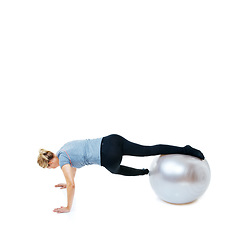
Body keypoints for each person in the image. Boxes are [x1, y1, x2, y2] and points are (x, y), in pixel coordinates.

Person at [37, 134, 204, 213]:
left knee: (116, 170)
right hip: (112, 140)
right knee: (148, 150)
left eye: (48, 167)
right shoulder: (63, 149)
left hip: (108, 156)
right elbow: (73, 171)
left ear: (50, 162)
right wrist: (67, 181)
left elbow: (72, 184)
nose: (51, 169)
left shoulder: (63, 162)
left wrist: (68, 207)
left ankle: (145, 172)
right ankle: (185, 150)